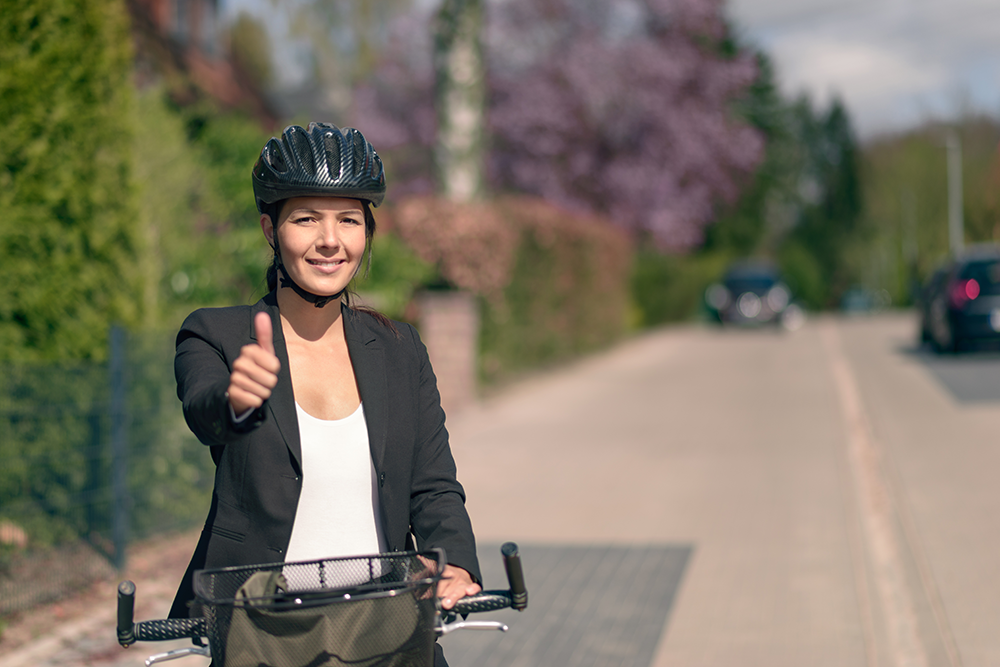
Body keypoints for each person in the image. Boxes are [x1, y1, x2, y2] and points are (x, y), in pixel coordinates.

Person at [168, 122, 481, 665]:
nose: (330, 239)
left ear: (367, 232)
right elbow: (205, 410)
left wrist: (453, 562)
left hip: (387, 627)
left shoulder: (400, 348)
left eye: (348, 220)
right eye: (306, 218)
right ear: (271, 229)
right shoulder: (215, 334)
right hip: (262, 632)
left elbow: (432, 486)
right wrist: (236, 400)